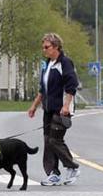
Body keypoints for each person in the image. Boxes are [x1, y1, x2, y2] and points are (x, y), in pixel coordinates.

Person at [27, 33, 81, 186]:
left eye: (47, 47)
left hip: (61, 109)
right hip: (48, 108)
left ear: (56, 47)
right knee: (47, 141)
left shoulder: (65, 63)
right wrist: (34, 106)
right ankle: (53, 173)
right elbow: (43, 89)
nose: (44, 50)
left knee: (54, 140)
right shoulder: (47, 64)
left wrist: (66, 105)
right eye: (43, 47)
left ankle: (72, 167)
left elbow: (72, 86)